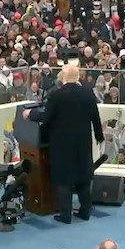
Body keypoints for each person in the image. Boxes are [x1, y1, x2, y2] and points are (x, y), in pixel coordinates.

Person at [22, 64, 104, 224]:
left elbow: (46, 117)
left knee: (64, 179)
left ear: (64, 77)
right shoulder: (88, 94)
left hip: (62, 143)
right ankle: (85, 211)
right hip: (83, 142)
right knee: (83, 177)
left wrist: (29, 113)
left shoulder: (57, 95)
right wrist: (99, 137)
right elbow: (96, 117)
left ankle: (65, 215)